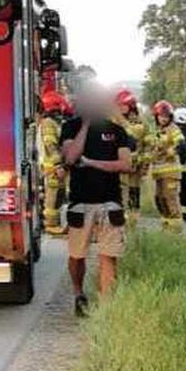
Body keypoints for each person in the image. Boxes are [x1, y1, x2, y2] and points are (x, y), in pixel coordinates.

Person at [60, 86, 132, 316]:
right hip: (81, 203)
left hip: (110, 203)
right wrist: (86, 126)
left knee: (108, 255)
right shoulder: (69, 127)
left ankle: (106, 307)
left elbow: (126, 165)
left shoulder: (117, 131)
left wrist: (91, 162)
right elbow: (70, 157)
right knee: (77, 256)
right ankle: (79, 294)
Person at [38, 89, 71, 236]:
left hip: (56, 166)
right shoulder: (48, 123)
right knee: (52, 196)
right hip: (52, 167)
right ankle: (50, 224)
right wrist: (58, 165)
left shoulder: (52, 122)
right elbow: (50, 145)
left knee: (58, 195)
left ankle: (55, 223)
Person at [113, 90, 148, 227]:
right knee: (118, 193)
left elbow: (134, 136)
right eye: (118, 106)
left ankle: (132, 222)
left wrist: (144, 162)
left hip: (134, 165)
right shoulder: (114, 120)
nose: (119, 109)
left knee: (133, 194)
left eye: (122, 106)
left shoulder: (138, 123)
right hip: (117, 165)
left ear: (131, 106)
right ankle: (118, 221)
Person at [149, 101, 185, 231]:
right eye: (161, 116)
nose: (163, 119)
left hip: (171, 173)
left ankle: (175, 231)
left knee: (170, 201)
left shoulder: (173, 129)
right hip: (159, 174)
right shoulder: (157, 131)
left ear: (170, 117)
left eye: (166, 116)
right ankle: (166, 228)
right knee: (160, 200)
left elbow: (181, 143)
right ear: (156, 117)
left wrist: (172, 151)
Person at [173, 107, 186, 222]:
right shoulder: (182, 132)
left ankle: (182, 213)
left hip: (179, 167)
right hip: (183, 167)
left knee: (181, 191)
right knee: (185, 191)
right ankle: (184, 214)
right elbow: (184, 149)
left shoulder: (176, 130)